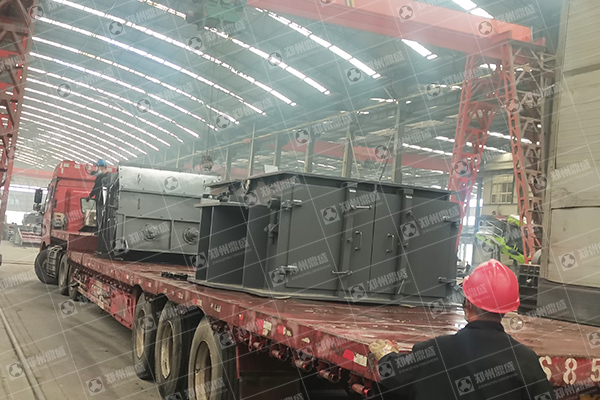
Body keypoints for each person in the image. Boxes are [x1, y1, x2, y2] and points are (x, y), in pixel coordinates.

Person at [369, 259, 555, 400]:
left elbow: (393, 375)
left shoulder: (434, 351)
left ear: (468, 303)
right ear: (507, 310)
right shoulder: (525, 360)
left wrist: (386, 355)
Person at [86, 160, 109, 233]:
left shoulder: (100, 177)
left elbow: (96, 188)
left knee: (100, 216)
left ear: (102, 167)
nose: (97, 170)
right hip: (107, 201)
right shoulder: (109, 176)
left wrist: (90, 196)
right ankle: (101, 229)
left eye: (98, 167)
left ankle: (99, 230)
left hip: (100, 200)